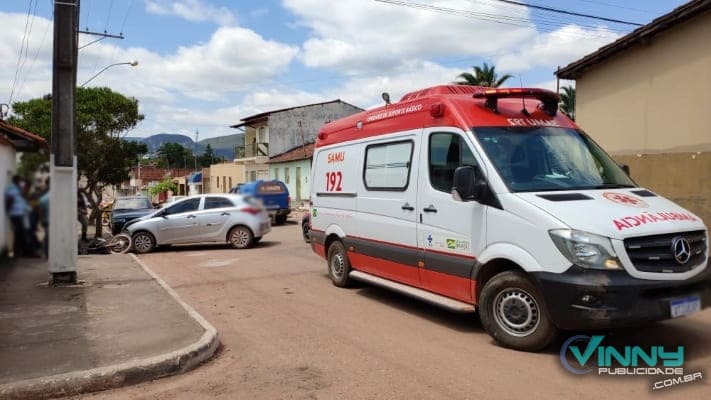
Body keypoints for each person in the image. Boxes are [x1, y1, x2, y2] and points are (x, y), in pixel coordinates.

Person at [4, 175, 31, 257]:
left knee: (19, 234)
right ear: (17, 180)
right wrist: (9, 212)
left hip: (20, 213)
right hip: (16, 214)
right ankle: (24, 253)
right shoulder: (11, 188)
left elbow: (21, 197)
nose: (21, 182)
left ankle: (19, 252)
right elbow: (9, 200)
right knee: (21, 233)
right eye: (20, 180)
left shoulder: (17, 188)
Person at [39, 179, 50, 257]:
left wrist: (42, 220)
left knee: (47, 238)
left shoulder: (44, 197)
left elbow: (41, 211)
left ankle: (47, 254)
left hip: (47, 221)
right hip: (56, 221)